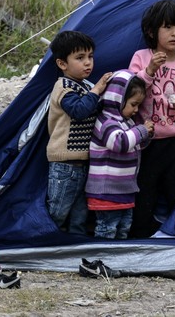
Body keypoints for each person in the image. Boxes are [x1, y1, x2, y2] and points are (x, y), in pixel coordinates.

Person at [128, 0, 175, 238]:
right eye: (168, 27)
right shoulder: (141, 57)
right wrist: (149, 70)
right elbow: (129, 91)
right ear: (152, 31)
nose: (174, 33)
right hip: (147, 139)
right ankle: (140, 231)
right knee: (144, 187)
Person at [46, 30, 113, 235]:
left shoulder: (84, 86)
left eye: (90, 57)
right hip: (64, 166)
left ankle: (72, 249)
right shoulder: (63, 87)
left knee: (80, 215)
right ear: (62, 64)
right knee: (58, 211)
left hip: (83, 163)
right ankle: (45, 244)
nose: (87, 63)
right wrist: (98, 89)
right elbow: (80, 111)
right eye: (80, 58)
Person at [86, 70, 154, 239]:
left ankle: (115, 261)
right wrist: (141, 130)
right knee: (108, 228)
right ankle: (100, 260)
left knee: (124, 227)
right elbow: (120, 143)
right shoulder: (106, 122)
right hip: (106, 191)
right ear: (118, 99)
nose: (136, 109)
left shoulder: (127, 122)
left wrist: (146, 134)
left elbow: (134, 144)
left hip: (123, 190)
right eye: (133, 104)